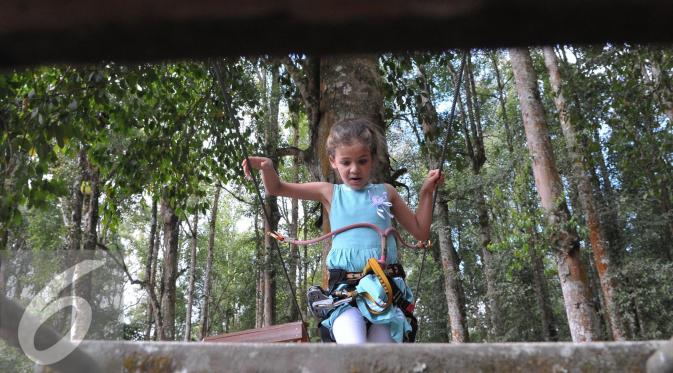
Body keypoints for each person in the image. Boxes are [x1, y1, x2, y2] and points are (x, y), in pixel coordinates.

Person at [242, 117, 442, 344]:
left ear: (372, 160)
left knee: (382, 355)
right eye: (346, 162)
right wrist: (267, 167)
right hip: (344, 292)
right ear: (333, 161)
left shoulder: (386, 192)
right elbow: (277, 188)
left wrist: (426, 192)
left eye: (362, 161)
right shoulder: (330, 192)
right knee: (353, 347)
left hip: (384, 291)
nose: (354, 169)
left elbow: (420, 232)